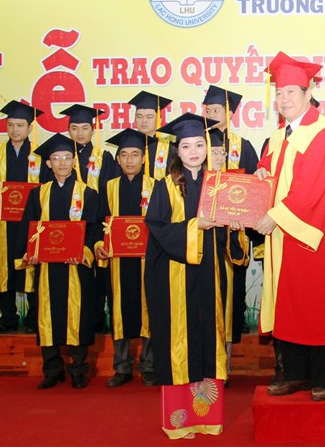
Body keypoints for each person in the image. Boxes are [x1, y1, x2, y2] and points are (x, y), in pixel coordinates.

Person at [255, 51, 325, 402]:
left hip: (311, 236)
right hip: (284, 236)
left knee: (314, 303)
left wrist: (276, 216)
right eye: (279, 93)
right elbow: (271, 167)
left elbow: (314, 188)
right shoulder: (280, 135)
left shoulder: (323, 133)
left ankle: (320, 378)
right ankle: (293, 374)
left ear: (308, 93)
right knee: (287, 304)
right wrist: (261, 170)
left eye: (291, 93)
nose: (284, 100)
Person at [145, 113, 240, 438]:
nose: (194, 151)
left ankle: (208, 418)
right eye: (186, 146)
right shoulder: (166, 187)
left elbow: (228, 236)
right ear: (178, 151)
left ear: (207, 147)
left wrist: (235, 227)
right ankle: (179, 421)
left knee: (209, 337)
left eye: (200, 144)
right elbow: (157, 230)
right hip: (175, 276)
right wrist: (195, 226)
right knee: (179, 343)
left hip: (210, 274)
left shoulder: (220, 185)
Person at [14, 133, 99, 389]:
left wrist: (84, 252)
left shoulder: (88, 194)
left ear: (74, 161)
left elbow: (94, 230)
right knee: (47, 316)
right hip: (47, 267)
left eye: (67, 157)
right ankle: (52, 370)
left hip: (76, 267)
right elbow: (28, 228)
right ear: (49, 163)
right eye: (56, 158)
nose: (62, 162)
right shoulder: (38, 194)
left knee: (77, 316)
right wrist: (29, 253)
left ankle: (78, 370)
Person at [0, 100, 47, 334]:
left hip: (31, 223)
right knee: (4, 267)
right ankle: (8, 318)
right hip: (3, 223)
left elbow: (46, 188)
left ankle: (33, 319)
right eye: (10, 125)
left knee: (32, 264)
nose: (15, 130)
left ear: (29, 128)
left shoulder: (40, 154)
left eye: (20, 125)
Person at [95, 129, 157, 387]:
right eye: (124, 155)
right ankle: (122, 367)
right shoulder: (108, 187)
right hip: (118, 263)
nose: (130, 160)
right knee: (119, 311)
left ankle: (149, 366)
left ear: (143, 158)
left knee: (149, 311)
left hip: (147, 261)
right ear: (118, 159)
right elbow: (98, 222)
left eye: (135, 154)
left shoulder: (155, 186)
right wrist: (99, 244)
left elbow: (163, 223)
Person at [203, 85, 260, 341]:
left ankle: (234, 328)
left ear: (230, 113)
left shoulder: (242, 146)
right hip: (206, 226)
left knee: (235, 278)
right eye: (209, 110)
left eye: (218, 110)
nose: (212, 114)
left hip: (235, 227)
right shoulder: (197, 144)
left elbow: (255, 188)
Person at [62, 103, 119, 334]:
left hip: (97, 221)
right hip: (70, 224)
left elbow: (110, 190)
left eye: (85, 128)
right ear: (68, 130)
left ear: (93, 130)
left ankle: (97, 318)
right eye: (74, 128)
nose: (79, 133)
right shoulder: (62, 156)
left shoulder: (104, 157)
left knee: (99, 272)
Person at [128, 91, 174, 181]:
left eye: (149, 117)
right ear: (135, 119)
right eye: (139, 116)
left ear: (159, 119)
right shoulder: (127, 146)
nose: (144, 121)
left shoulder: (168, 147)